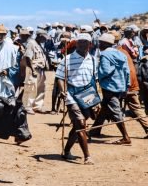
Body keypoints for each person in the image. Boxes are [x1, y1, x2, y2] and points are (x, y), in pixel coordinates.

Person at [56, 33, 97, 164]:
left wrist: (96, 98)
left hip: (87, 93)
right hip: (71, 94)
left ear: (90, 45)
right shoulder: (67, 59)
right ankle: (87, 156)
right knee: (80, 124)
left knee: (78, 125)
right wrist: (62, 91)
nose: (82, 44)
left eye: (85, 42)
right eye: (80, 42)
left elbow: (94, 80)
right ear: (76, 43)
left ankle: (66, 151)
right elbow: (60, 78)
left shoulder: (93, 60)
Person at [88, 33, 132, 145]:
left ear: (104, 43)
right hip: (120, 86)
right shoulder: (121, 54)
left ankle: (125, 137)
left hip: (109, 87)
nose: (98, 44)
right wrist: (126, 86)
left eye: (100, 42)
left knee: (115, 111)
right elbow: (127, 72)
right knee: (105, 108)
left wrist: (96, 76)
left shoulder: (105, 55)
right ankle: (95, 130)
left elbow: (105, 71)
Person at [19, 28, 48, 113]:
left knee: (41, 89)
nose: (45, 39)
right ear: (39, 36)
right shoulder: (31, 43)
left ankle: (37, 106)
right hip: (33, 69)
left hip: (41, 69)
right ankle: (27, 106)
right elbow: (27, 57)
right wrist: (32, 70)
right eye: (44, 37)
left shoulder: (39, 45)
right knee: (31, 88)